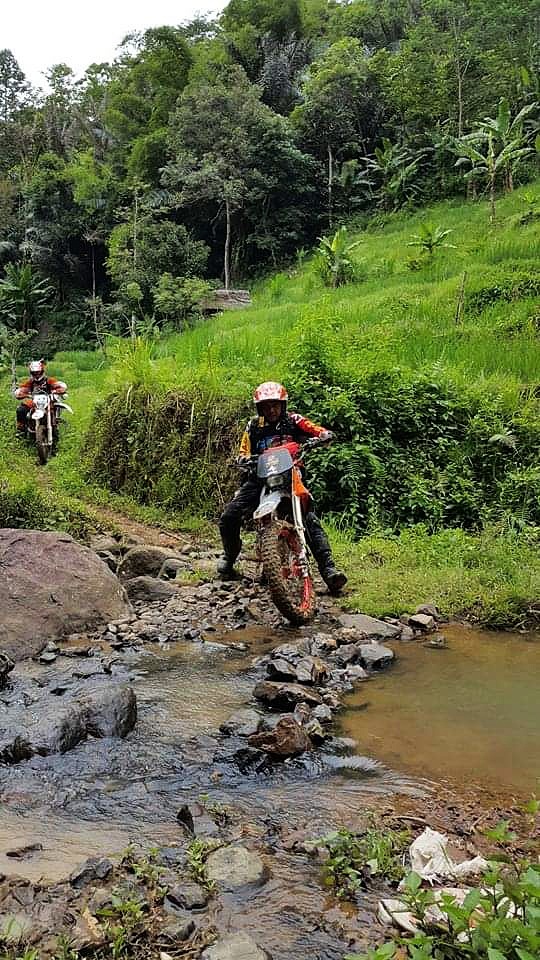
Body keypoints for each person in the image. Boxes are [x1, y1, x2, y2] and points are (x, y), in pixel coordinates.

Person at [217, 381, 347, 594]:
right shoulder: (253, 426)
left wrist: (323, 436)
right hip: (259, 477)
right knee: (229, 517)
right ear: (260, 408)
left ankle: (329, 571)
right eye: (266, 406)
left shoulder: (294, 420)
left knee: (310, 519)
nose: (271, 410)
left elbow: (316, 430)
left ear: (283, 405)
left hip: (290, 474)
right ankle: (229, 558)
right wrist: (243, 459)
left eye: (275, 405)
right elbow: (243, 451)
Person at [13, 359, 67, 437]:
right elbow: (23, 389)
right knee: (21, 409)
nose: (37, 375)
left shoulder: (49, 380)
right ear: (31, 373)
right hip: (34, 401)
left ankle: (55, 425)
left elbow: (57, 385)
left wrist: (59, 389)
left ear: (42, 371)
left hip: (48, 400)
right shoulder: (30, 382)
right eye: (34, 373)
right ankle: (21, 429)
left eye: (38, 372)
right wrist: (21, 393)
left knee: (54, 407)